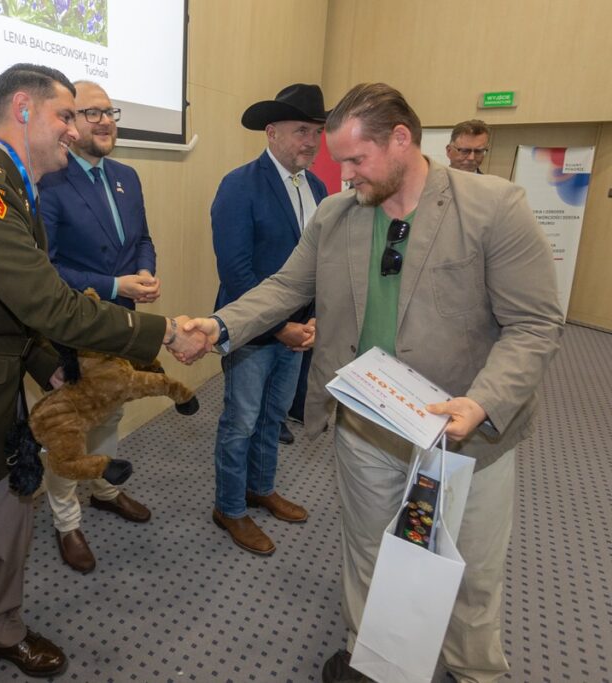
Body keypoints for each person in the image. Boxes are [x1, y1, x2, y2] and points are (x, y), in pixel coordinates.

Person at [183, 83, 563, 682]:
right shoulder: (338, 215)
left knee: (467, 572)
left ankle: (474, 671)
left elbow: (535, 324)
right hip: (368, 429)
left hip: (464, 438)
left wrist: (483, 402)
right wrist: (218, 324)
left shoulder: (493, 207)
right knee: (369, 556)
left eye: (356, 160)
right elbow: (285, 288)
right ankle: (380, 664)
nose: (346, 174)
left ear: (402, 140)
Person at [0, 63, 206, 682]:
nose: (74, 129)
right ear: (25, 110)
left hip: (3, 400)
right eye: (66, 115)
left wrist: (47, 370)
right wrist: (163, 332)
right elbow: (49, 304)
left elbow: (9, 312)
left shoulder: (18, 195)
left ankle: (0, 631)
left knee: (9, 529)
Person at [38, 81, 157, 573]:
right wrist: (113, 284)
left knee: (112, 411)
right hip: (76, 324)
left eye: (111, 112)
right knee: (72, 428)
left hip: (122, 323)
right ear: (68, 122)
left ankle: (106, 488)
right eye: (92, 112)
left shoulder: (127, 175)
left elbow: (142, 240)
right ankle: (67, 521)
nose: (106, 121)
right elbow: (43, 268)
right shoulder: (50, 182)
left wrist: (146, 273)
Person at [208, 84, 327, 555]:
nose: (312, 142)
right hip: (256, 332)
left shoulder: (317, 188)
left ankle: (260, 487)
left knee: (274, 416)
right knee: (241, 419)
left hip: (300, 330)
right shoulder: (239, 184)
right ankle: (230, 507)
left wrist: (313, 321)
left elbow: (321, 264)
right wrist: (278, 326)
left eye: (317, 132)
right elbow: (236, 272)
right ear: (272, 132)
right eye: (302, 131)